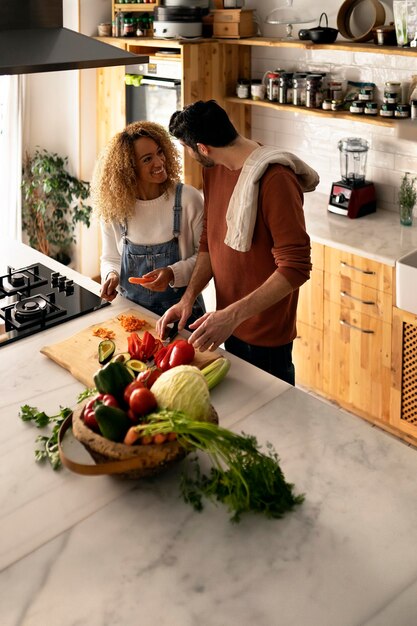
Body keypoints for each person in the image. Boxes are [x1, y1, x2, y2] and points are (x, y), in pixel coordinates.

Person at [156, 100, 319, 385]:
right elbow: (211, 238)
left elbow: (296, 268)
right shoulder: (214, 167)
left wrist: (232, 315)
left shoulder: (275, 179)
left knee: (270, 422)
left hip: (265, 336)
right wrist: (188, 298)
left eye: (189, 150)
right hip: (227, 325)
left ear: (203, 148)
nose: (190, 156)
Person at [90, 120, 205, 324]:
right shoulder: (115, 207)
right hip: (132, 314)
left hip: (184, 313)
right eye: (147, 159)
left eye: (160, 152)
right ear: (129, 169)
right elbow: (110, 257)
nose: (159, 163)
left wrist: (172, 274)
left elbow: (206, 260)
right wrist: (111, 276)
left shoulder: (189, 199)